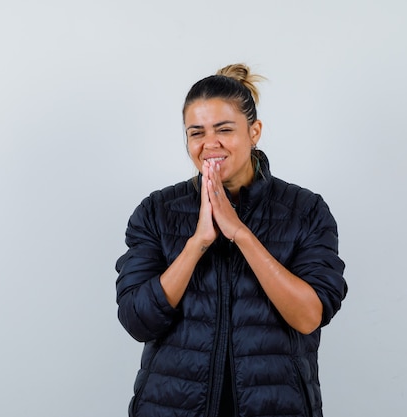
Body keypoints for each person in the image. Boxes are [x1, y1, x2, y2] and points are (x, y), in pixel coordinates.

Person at [115, 63, 347, 417]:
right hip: (169, 407)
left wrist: (240, 233)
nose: (210, 144)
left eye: (224, 129)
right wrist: (197, 243)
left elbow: (308, 316)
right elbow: (137, 321)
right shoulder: (156, 211)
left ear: (254, 132)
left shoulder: (305, 210)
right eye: (196, 133)